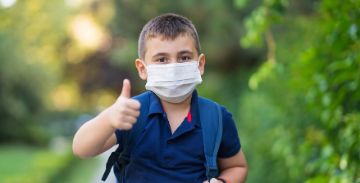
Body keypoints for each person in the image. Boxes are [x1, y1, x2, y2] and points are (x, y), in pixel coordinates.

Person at [73, 13, 248, 183]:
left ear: (200, 64)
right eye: (162, 59)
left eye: (184, 57)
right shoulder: (132, 113)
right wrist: (109, 118)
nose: (173, 67)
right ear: (142, 68)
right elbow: (82, 148)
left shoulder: (216, 117)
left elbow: (237, 167)